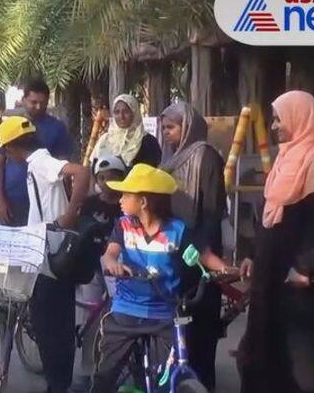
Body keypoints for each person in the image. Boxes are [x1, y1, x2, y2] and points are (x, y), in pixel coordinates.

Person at [237, 90, 314, 393]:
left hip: (300, 282)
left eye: (278, 119)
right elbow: (266, 215)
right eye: (273, 120)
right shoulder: (285, 159)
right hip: (271, 275)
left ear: (300, 117)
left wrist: (305, 268)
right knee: (264, 353)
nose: (274, 126)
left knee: (304, 363)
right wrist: (254, 256)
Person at [92, 164, 233, 393]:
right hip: (126, 312)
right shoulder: (124, 226)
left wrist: (227, 270)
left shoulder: (177, 230)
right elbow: (110, 253)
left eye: (126, 194)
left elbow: (205, 256)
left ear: (143, 202)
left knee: (164, 383)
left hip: (164, 314)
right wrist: (112, 264)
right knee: (104, 379)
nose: (120, 199)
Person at [0, 115, 90, 393]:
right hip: (45, 246)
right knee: (52, 321)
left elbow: (82, 173)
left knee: (50, 325)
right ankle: (56, 381)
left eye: (6, 149)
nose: (6, 156)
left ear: (14, 146)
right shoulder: (36, 163)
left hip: (53, 250)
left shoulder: (40, 162)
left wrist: (69, 216)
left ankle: (58, 383)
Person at [158, 101, 227, 390]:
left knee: (200, 327)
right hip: (173, 248)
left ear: (187, 127)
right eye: (164, 129)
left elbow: (212, 210)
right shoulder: (169, 160)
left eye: (171, 128)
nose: (167, 134)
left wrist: (200, 252)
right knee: (176, 326)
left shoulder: (205, 157)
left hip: (199, 252)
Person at [71, 155, 128, 393]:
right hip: (92, 267)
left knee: (120, 321)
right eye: (102, 178)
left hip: (120, 268)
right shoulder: (90, 204)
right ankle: (86, 371)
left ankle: (119, 372)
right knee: (91, 320)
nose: (107, 182)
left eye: (114, 177)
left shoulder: (128, 204)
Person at [0, 78, 72, 227]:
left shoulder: (57, 128)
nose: (38, 106)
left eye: (43, 103)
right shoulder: (11, 125)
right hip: (13, 200)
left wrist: (69, 205)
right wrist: (0, 201)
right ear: (23, 100)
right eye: (33, 102)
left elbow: (65, 168)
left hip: (43, 202)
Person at [89, 94, 161, 168]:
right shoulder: (104, 140)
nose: (121, 116)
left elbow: (150, 172)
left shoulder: (148, 141)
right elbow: (92, 168)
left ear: (134, 113)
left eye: (126, 111)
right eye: (117, 112)